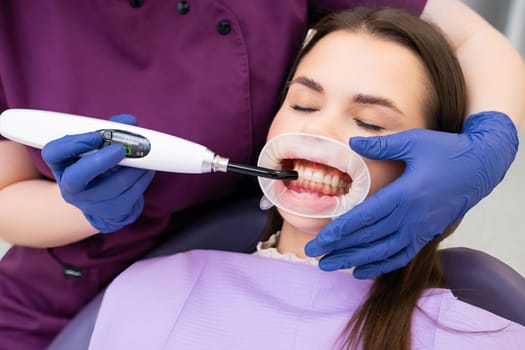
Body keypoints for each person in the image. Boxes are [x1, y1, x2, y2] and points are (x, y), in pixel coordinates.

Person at [0, 0, 523, 348]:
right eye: (301, 104)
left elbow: (470, 40)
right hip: (61, 297)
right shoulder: (146, 297)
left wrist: (488, 148)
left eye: (369, 121)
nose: (323, 136)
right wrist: (78, 204)